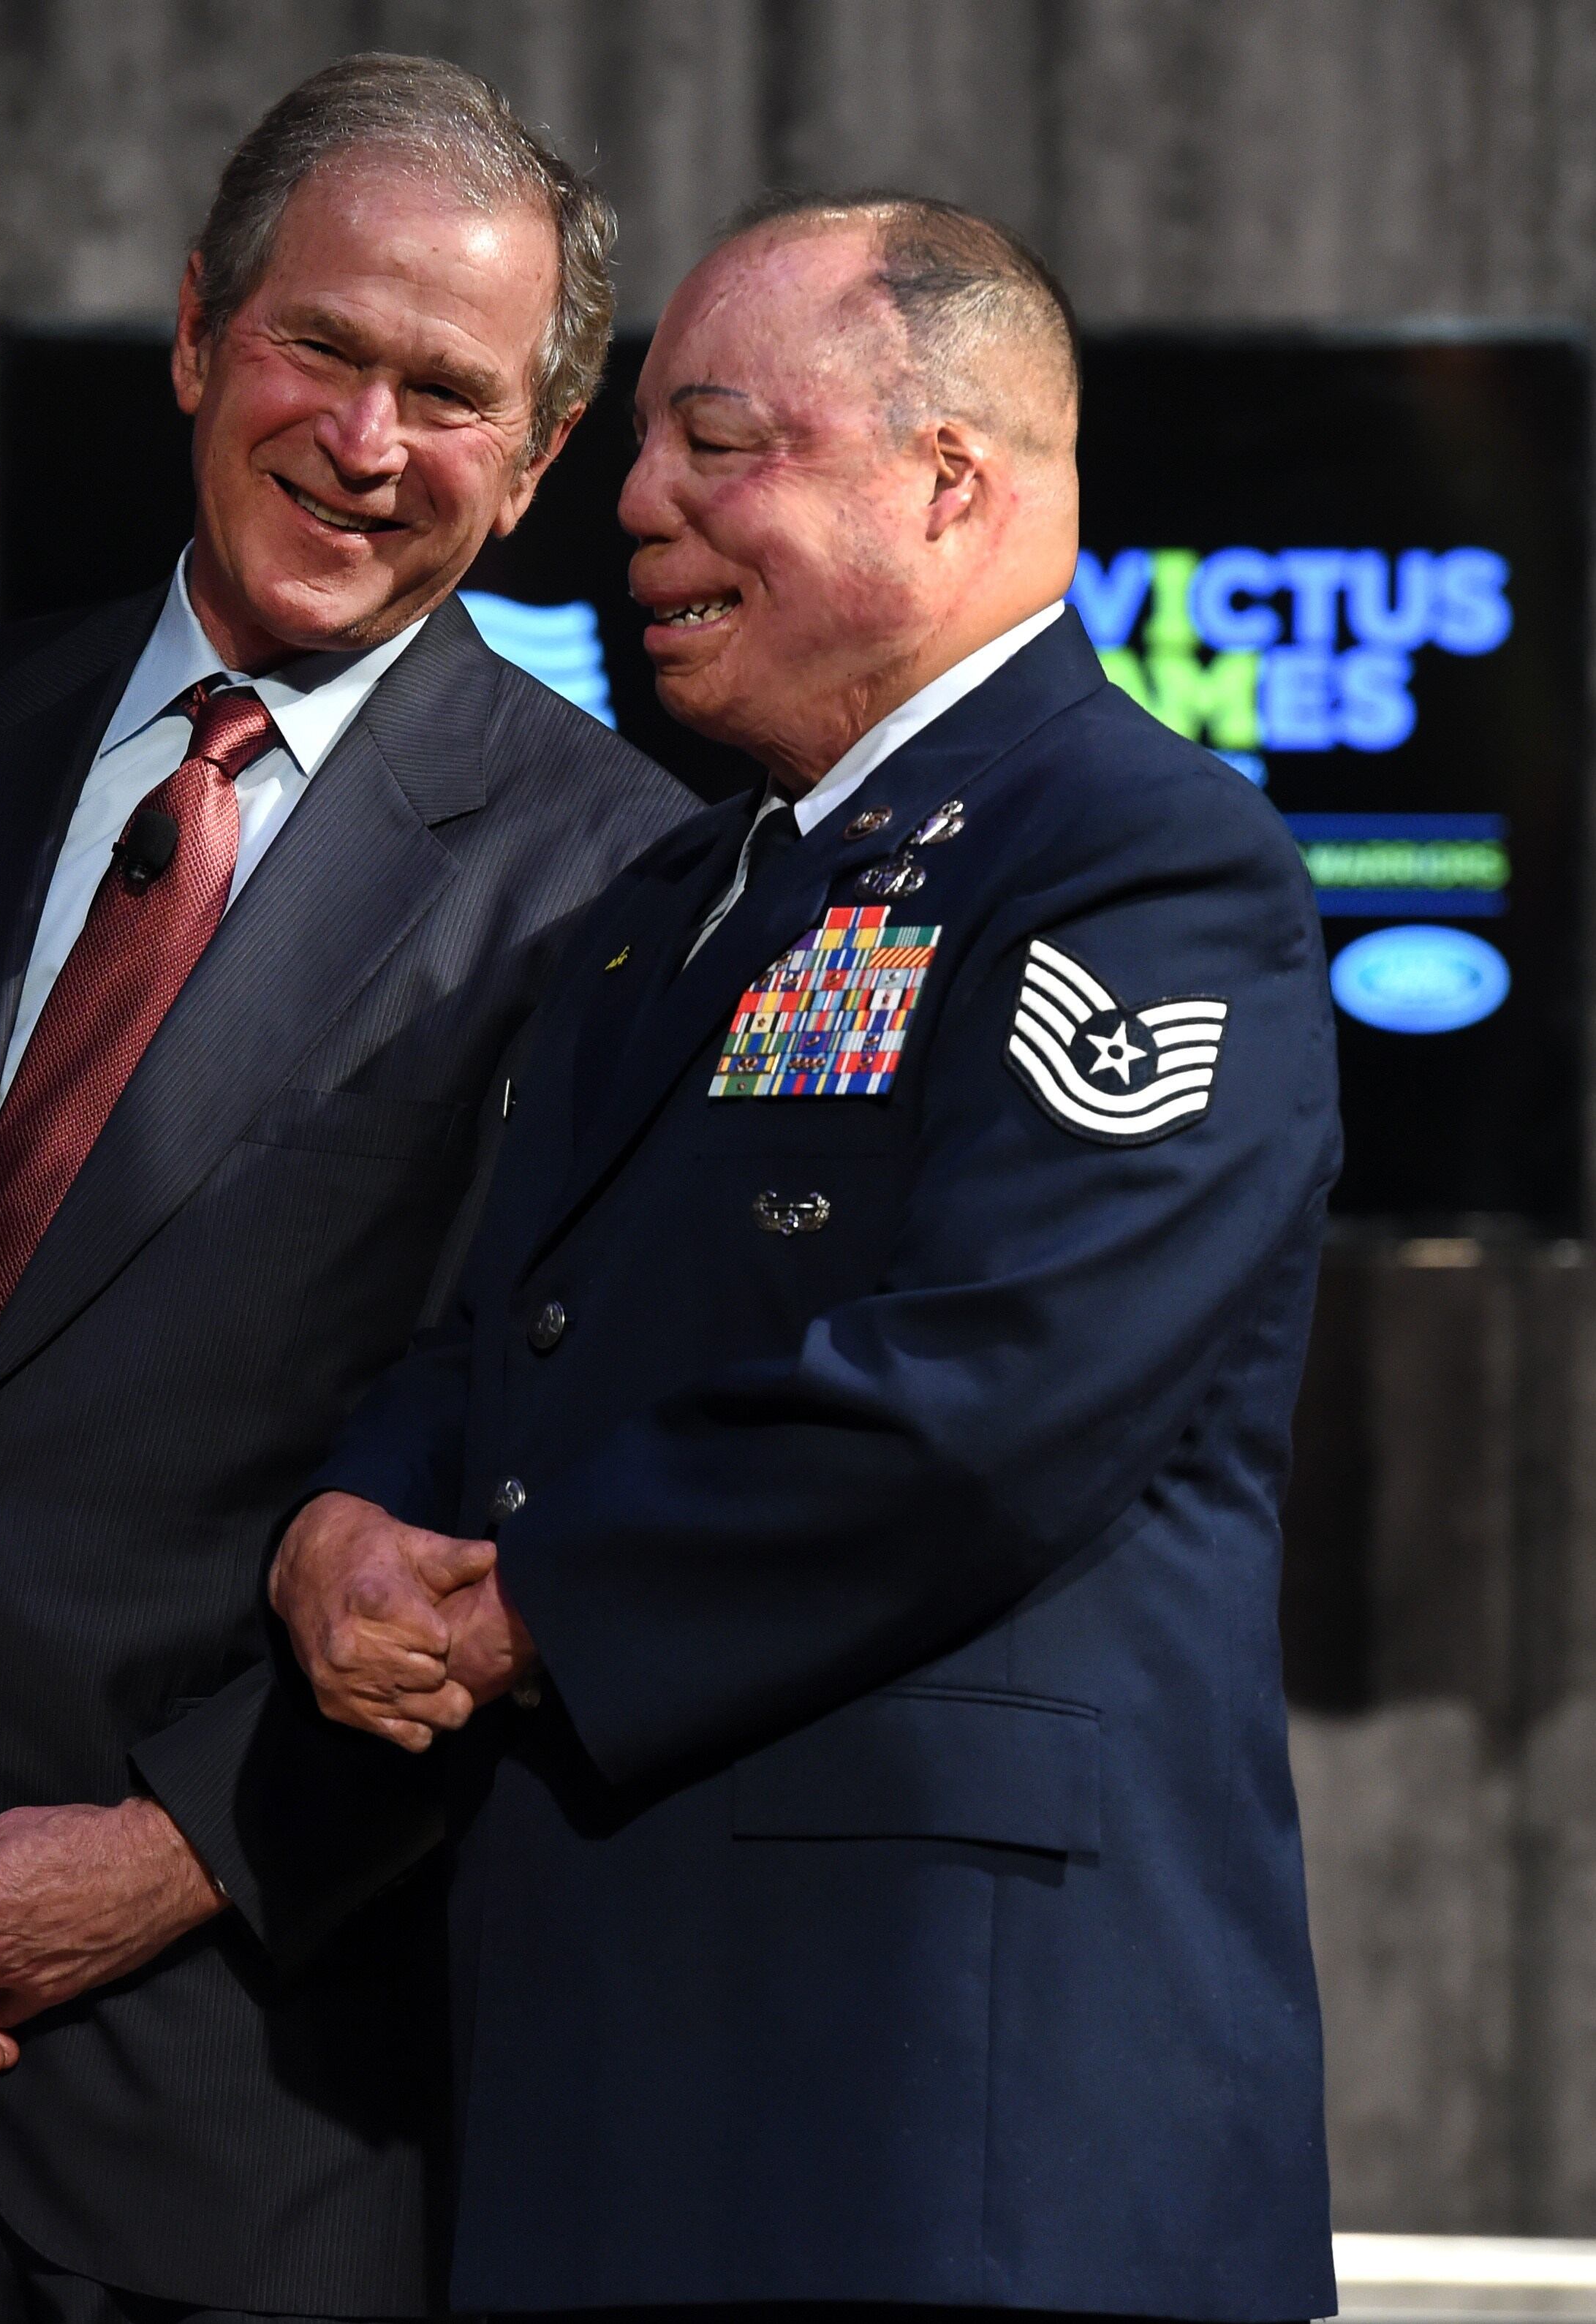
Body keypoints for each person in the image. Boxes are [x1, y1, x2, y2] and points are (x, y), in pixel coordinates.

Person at [0, 53, 692, 2324]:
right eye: (322, 345)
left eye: (449, 394)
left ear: (535, 462)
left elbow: (530, 1519)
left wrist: (178, 1847)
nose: (367, 440)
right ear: (202, 329)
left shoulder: (621, 880)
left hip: (259, 2125)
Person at [273, 192, 1341, 2324]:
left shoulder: (1144, 858)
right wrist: (351, 1521)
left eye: (719, 442)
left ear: (950, 480)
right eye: (642, 446)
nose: (635, 505)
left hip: (954, 2120)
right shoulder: (665, 904)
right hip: (614, 2069)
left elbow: (993, 1393)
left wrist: (525, 1610)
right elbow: (510, 1324)